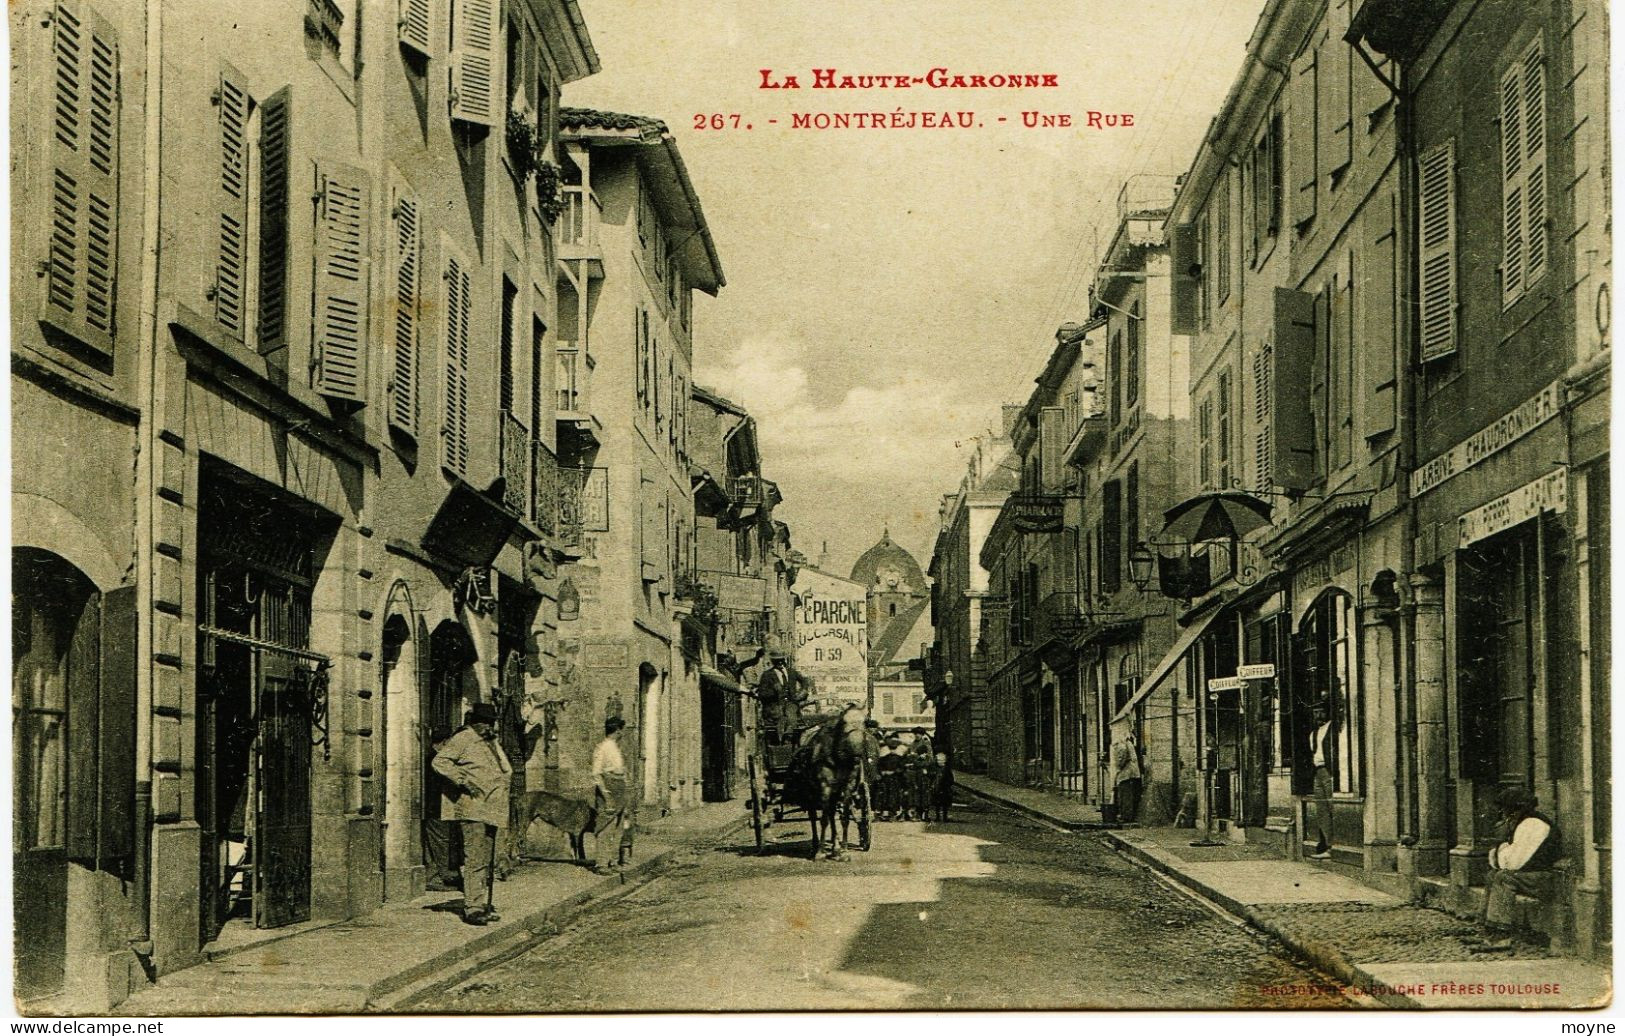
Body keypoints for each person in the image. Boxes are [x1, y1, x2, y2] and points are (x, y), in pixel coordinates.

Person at [431, 702, 512, 926]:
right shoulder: (464, 738)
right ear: (474, 723)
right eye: (485, 723)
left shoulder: (490, 742)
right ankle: (473, 908)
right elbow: (440, 761)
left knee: (486, 859)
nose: (488, 726)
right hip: (473, 807)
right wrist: (463, 780)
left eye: (491, 723)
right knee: (475, 858)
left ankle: (481, 903)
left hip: (493, 809)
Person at [1468, 787, 1562, 952]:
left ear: (1517, 810)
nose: (1504, 815)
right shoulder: (1523, 824)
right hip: (1532, 876)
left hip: (1545, 878)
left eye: (1507, 811)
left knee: (1503, 878)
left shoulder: (1532, 825)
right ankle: (1487, 931)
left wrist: (1500, 847)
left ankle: (1500, 936)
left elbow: (1512, 864)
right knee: (1492, 875)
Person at [422, 725, 462, 891]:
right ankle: (437, 877)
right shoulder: (436, 761)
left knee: (436, 844)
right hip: (436, 809)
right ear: (444, 742)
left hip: (437, 808)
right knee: (440, 843)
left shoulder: (431, 758)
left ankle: (437, 875)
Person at [590, 716, 630, 876]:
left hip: (619, 788)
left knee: (618, 827)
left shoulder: (615, 747)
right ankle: (601, 863)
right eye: (621, 729)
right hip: (609, 788)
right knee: (606, 827)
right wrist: (606, 795)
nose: (622, 733)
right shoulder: (602, 748)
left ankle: (612, 861)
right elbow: (596, 773)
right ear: (617, 730)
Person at [756, 651, 807, 743]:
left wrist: (803, 692)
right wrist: (773, 691)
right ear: (773, 661)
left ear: (784, 660)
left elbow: (805, 681)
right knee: (778, 717)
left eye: (781, 660)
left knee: (792, 716)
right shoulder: (767, 675)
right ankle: (779, 742)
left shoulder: (792, 672)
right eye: (777, 661)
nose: (780, 662)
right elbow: (762, 694)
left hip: (791, 703)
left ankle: (787, 737)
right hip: (774, 705)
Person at [1307, 702, 1334, 859]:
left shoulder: (1333, 729)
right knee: (1322, 810)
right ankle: (1328, 845)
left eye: (1321, 712)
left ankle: (1334, 848)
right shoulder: (1313, 734)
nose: (1318, 716)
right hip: (1318, 772)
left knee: (1332, 808)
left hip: (1329, 772)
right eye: (1315, 712)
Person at [1112, 728, 1142, 824]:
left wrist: (1117, 768)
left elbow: (1121, 760)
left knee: (1125, 795)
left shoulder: (1122, 745)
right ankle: (1128, 816)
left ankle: (1126, 816)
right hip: (1132, 772)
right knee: (1128, 794)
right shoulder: (1128, 743)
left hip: (1127, 773)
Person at [877, 737, 905, 819]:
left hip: (895, 779)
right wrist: (883, 772)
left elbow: (901, 768)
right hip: (886, 779)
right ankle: (885, 813)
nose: (892, 750)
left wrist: (894, 772)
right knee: (885, 795)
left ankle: (894, 812)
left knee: (893, 795)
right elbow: (879, 767)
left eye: (894, 748)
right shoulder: (884, 758)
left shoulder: (899, 758)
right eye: (891, 748)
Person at [932, 751, 955, 822]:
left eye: (942, 760)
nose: (940, 762)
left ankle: (945, 817)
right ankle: (937, 816)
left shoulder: (947, 769)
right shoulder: (935, 768)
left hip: (945, 788)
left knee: (945, 803)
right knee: (937, 803)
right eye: (938, 760)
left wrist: (948, 785)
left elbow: (951, 779)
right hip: (937, 788)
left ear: (945, 761)